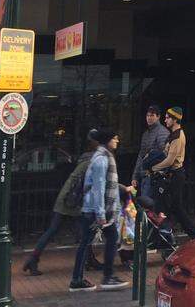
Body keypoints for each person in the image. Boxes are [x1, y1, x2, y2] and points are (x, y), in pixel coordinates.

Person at [70, 129, 129, 292]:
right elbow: (99, 187)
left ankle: (87, 278)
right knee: (98, 240)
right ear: (107, 141)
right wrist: (101, 213)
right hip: (94, 209)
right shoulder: (102, 160)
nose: (117, 141)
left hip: (95, 208)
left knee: (100, 240)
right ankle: (97, 278)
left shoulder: (103, 157)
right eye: (114, 138)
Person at [23, 149, 93, 275]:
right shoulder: (89, 164)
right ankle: (89, 259)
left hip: (67, 199)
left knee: (56, 230)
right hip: (72, 202)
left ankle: (33, 259)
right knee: (82, 232)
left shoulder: (83, 164)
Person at [150, 106, 195, 240]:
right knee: (169, 206)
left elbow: (170, 160)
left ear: (175, 119)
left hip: (176, 175)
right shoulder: (173, 134)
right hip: (171, 174)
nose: (165, 120)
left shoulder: (178, 136)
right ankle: (165, 236)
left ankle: (194, 235)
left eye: (167, 118)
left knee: (175, 207)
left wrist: (154, 168)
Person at [132, 104, 171, 188]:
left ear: (158, 117)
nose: (149, 118)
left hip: (155, 177)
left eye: (152, 115)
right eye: (147, 115)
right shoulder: (146, 134)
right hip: (144, 175)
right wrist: (135, 176)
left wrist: (156, 172)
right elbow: (141, 155)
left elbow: (164, 155)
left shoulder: (163, 132)